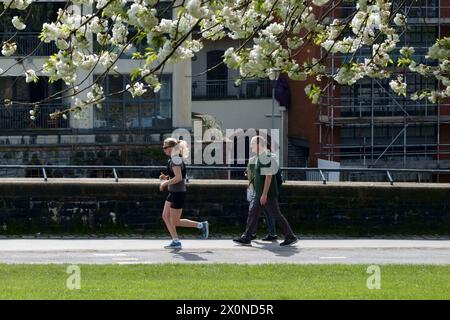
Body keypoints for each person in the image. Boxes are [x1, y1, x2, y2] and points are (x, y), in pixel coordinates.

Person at [233, 135, 298, 247]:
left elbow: (269, 176)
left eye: (253, 144)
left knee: (276, 215)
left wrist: (264, 194)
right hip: (261, 193)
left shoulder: (266, 157)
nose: (251, 146)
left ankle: (290, 236)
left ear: (259, 145)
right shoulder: (260, 157)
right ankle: (246, 237)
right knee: (253, 213)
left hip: (267, 194)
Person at [159, 138, 209, 249]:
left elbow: (179, 178)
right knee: (165, 216)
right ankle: (175, 240)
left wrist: (165, 183)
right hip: (173, 192)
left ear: (171, 148)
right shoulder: (173, 160)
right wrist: (166, 177)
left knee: (175, 221)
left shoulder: (176, 160)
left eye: (165, 148)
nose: (164, 150)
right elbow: (176, 176)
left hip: (178, 193)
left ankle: (201, 225)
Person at [246, 155, 278, 241]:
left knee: (253, 213)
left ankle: (251, 234)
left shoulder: (253, 160)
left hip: (258, 191)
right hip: (268, 191)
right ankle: (272, 233)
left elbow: (250, 175)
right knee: (269, 213)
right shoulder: (272, 158)